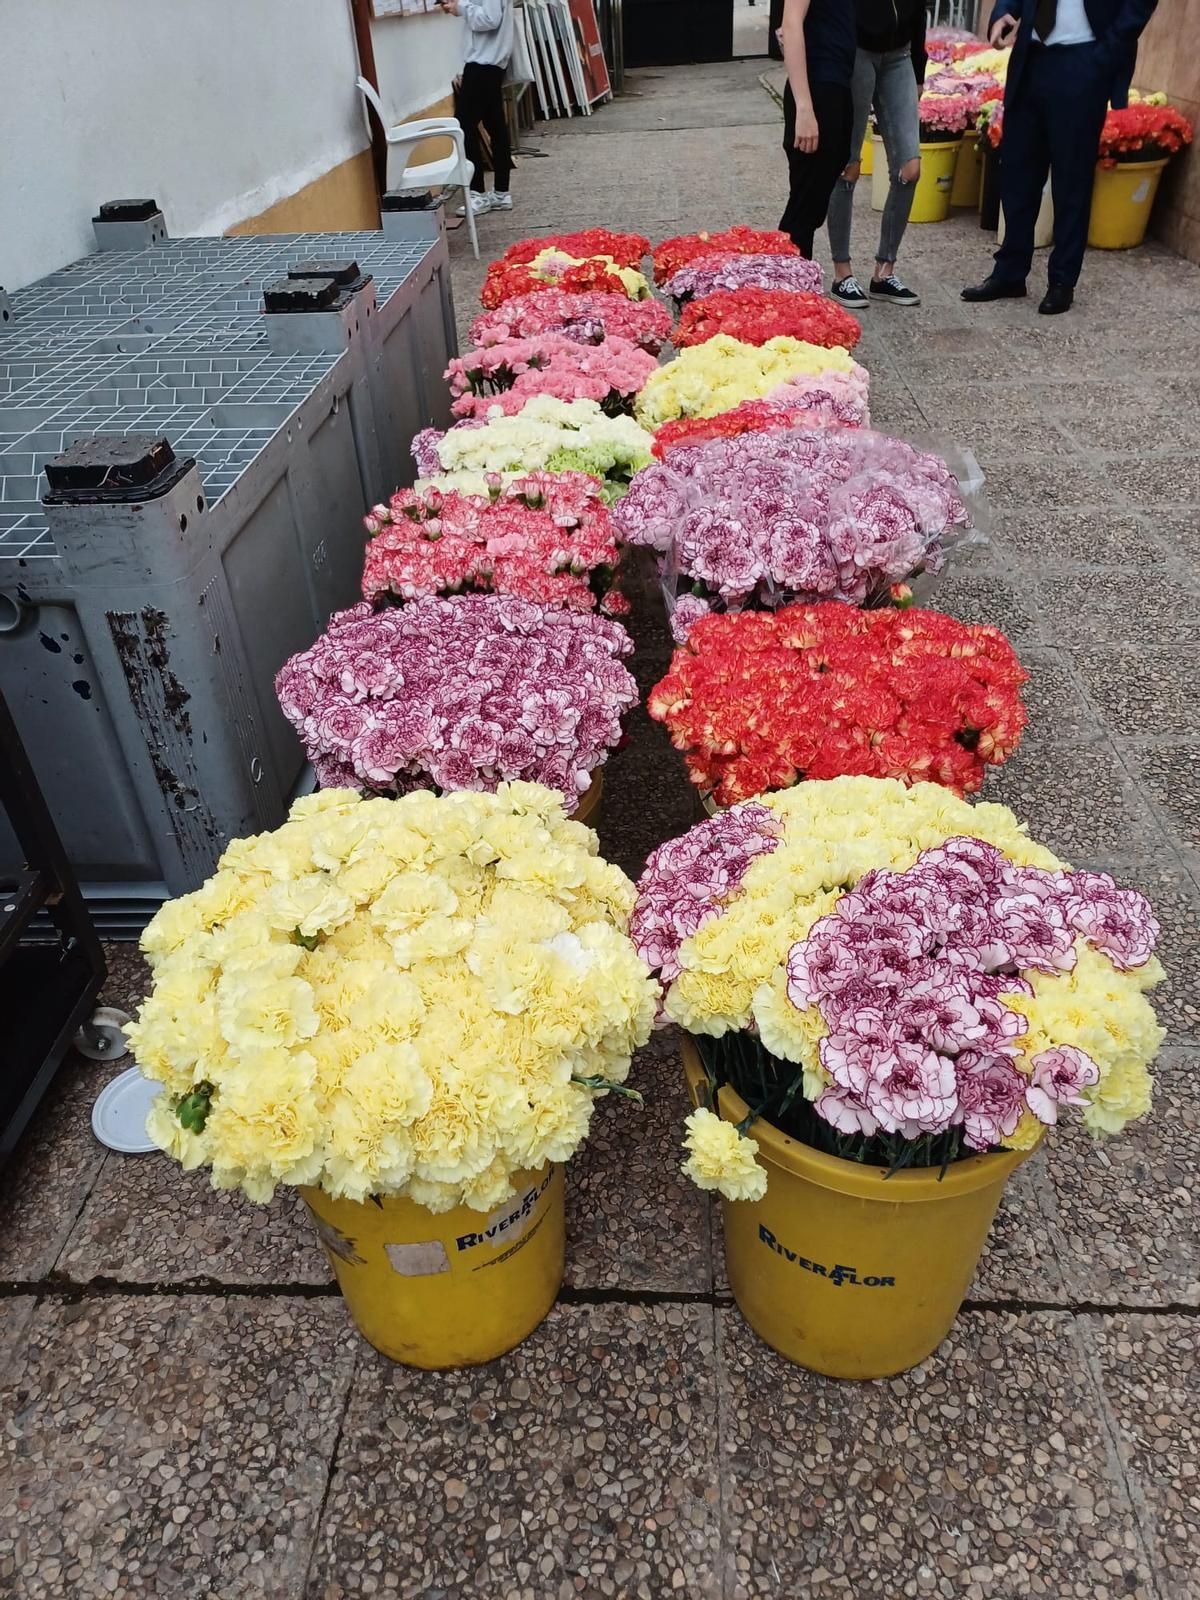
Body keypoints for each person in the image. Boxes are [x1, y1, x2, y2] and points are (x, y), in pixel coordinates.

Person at [962, 0, 1157, 315]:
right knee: (1017, 174)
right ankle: (1010, 273)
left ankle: (1062, 281)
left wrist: (1106, 54)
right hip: (1030, 61)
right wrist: (1003, 14)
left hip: (1083, 61)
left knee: (1072, 179)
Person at [824, 0, 927, 309]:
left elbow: (919, 7)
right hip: (856, 53)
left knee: (910, 168)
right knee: (848, 166)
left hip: (900, 56)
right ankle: (842, 273)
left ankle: (884, 272)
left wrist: (919, 71)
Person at [778, 0, 858, 258]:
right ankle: (784, 279)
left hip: (836, 83)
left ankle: (793, 279)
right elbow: (791, 25)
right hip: (816, 87)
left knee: (814, 199)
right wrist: (804, 107)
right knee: (805, 202)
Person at [439, 0, 514, 215]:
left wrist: (461, 8)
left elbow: (490, 19)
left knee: (463, 127)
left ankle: (477, 193)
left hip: (483, 62)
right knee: (495, 126)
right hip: (491, 62)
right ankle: (501, 192)